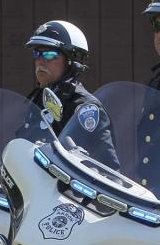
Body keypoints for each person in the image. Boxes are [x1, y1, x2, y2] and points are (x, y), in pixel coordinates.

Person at [24, 20, 116, 168]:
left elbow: (107, 170)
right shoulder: (36, 99)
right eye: (37, 53)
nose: (40, 61)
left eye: (49, 54)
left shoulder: (85, 107)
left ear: (71, 60)